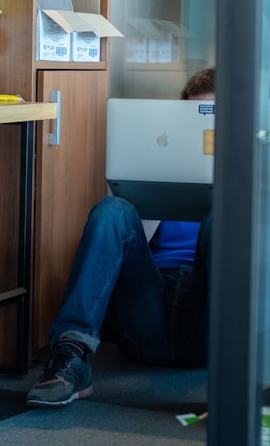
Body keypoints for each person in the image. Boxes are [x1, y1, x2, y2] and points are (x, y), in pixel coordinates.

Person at [26, 68, 215, 408]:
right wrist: (156, 186)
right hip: (146, 316)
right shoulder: (156, 167)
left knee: (221, 221)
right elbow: (121, 246)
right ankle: (70, 359)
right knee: (113, 209)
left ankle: (238, 387)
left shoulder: (254, 174)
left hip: (207, 326)